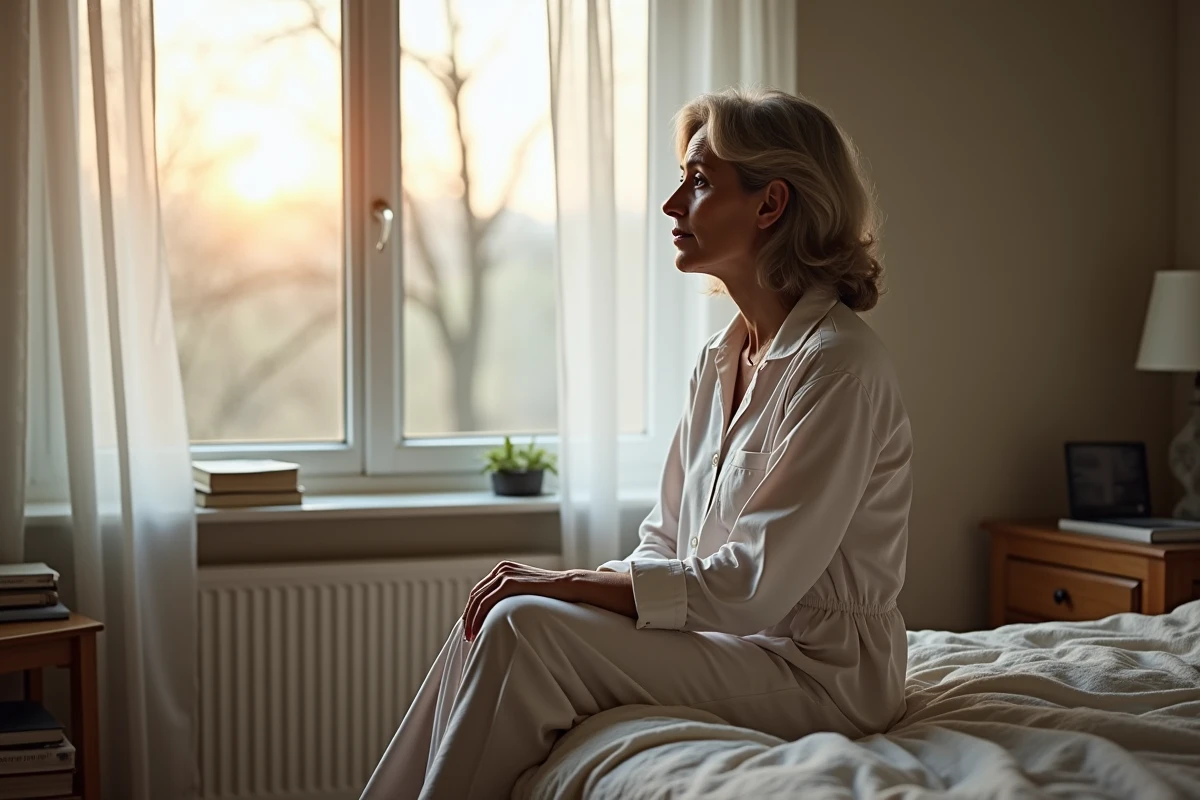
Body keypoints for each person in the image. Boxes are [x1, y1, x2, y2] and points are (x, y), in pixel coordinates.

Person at [360, 87, 913, 800]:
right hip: (735, 643)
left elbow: (748, 585)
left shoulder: (839, 366)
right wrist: (570, 592)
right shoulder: (721, 357)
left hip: (820, 673)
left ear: (771, 205)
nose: (672, 205)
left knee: (529, 629)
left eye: (701, 182)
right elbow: (664, 543)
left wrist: (564, 585)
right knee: (501, 616)